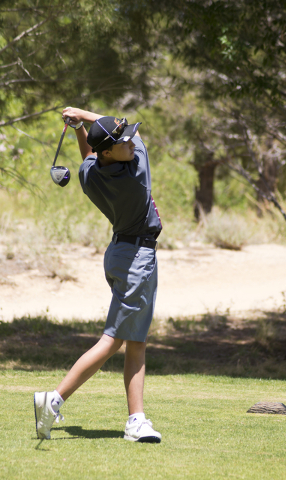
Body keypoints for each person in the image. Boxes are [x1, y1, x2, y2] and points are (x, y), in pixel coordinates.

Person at [34, 107, 162, 443]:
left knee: (133, 340)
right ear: (110, 151)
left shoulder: (91, 175)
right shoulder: (136, 171)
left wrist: (80, 129)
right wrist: (83, 116)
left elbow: (90, 155)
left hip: (118, 255)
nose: (132, 141)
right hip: (138, 256)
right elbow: (98, 146)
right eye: (124, 140)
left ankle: (136, 419)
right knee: (118, 340)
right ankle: (55, 399)